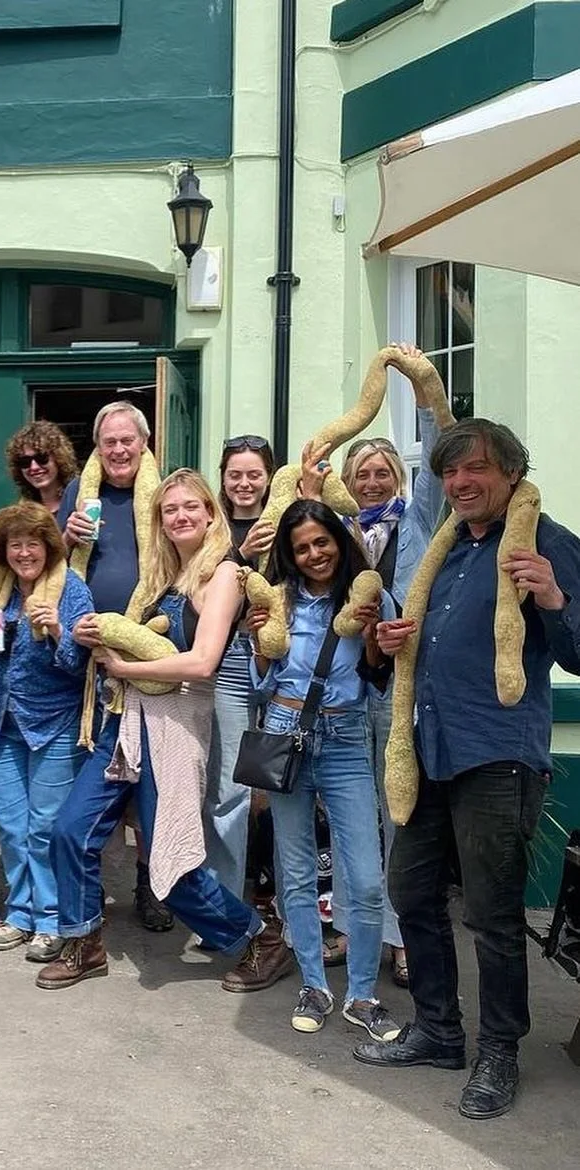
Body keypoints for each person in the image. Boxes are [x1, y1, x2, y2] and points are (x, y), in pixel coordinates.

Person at [355, 419, 580, 1121]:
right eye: (451, 473)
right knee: (412, 891)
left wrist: (553, 598)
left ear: (512, 472)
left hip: (499, 754)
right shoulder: (445, 550)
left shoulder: (547, 541)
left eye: (476, 469)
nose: (461, 483)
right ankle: (438, 1030)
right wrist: (389, 642)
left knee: (492, 914)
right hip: (426, 748)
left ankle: (500, 1051)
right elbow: (424, 648)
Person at [39, 470, 282, 990]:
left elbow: (202, 662)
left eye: (190, 507)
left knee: (170, 867)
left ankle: (260, 936)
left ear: (211, 514)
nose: (180, 517)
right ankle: (85, 942)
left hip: (176, 729)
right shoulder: (161, 578)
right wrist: (91, 633)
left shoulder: (224, 575)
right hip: (125, 722)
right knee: (70, 830)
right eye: (169, 510)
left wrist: (125, 669)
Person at [245, 499, 401, 1037]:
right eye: (302, 547)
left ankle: (361, 995)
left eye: (322, 542)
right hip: (286, 733)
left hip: (346, 737)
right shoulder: (278, 601)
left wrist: (376, 638)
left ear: (339, 539)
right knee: (295, 871)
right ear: (289, 554)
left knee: (364, 876)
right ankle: (314, 985)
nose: (314, 554)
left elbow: (379, 677)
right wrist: (259, 644)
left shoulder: (368, 595)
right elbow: (263, 683)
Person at [322, 343, 447, 984]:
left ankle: (399, 934)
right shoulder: (339, 532)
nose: (372, 483)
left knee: (402, 812)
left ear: (400, 479)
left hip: (408, 690)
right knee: (351, 813)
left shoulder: (422, 515)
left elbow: (442, 450)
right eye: (362, 474)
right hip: (354, 687)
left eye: (382, 474)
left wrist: (421, 384)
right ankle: (349, 925)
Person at [58, 400, 170, 930]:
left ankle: (153, 887)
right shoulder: (78, 497)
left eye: (128, 441)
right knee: (92, 780)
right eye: (110, 442)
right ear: (97, 449)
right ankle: (92, 886)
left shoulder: (166, 495)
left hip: (150, 657)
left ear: (144, 444)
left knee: (151, 784)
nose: (120, 450)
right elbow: (43, 565)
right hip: (88, 664)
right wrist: (66, 538)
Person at [0, 501, 93, 961]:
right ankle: (20, 912)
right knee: (12, 825)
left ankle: (52, 918)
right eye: (15, 544)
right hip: (0, 722)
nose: (24, 553)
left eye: (33, 544)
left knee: (44, 827)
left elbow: (84, 666)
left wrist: (60, 631)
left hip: (54, 723)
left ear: (48, 547)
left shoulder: (71, 590)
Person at [206, 434, 277, 899]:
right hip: (229, 661)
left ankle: (282, 898)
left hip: (283, 665)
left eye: (254, 474)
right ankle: (226, 903)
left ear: (270, 477)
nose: (244, 483)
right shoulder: (211, 527)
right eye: (236, 475)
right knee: (229, 789)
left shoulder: (285, 520)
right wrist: (242, 554)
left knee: (283, 784)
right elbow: (198, 594)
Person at [5, 420, 78, 517]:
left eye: (41, 458)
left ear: (59, 458)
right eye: (25, 461)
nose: (34, 467)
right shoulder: (21, 514)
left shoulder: (79, 502)